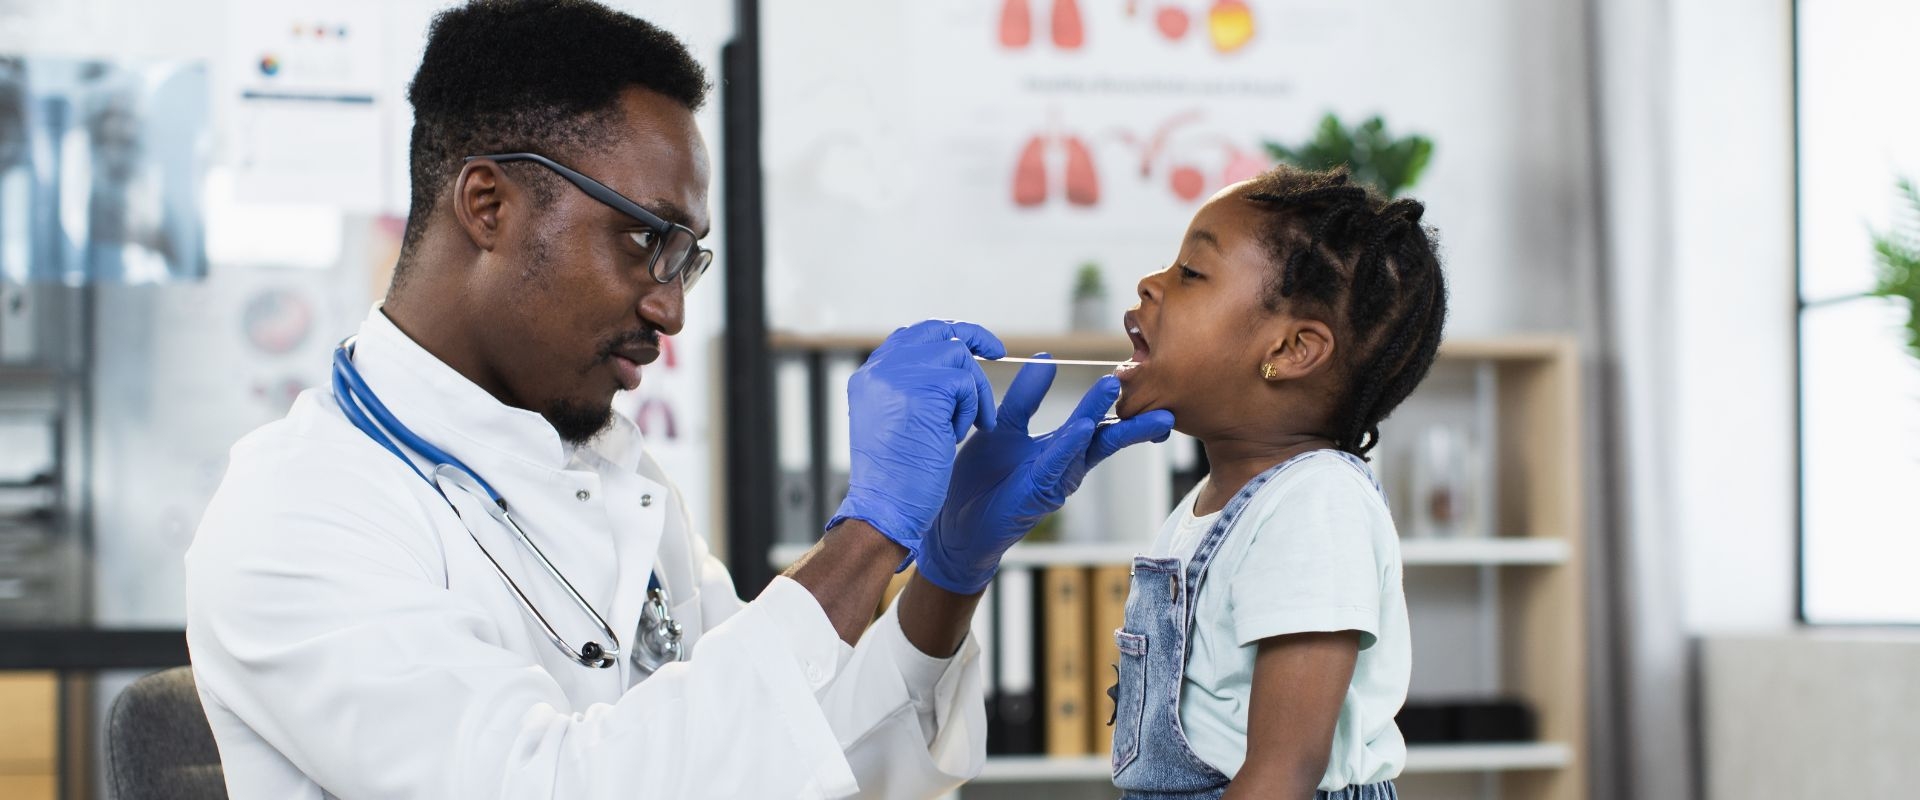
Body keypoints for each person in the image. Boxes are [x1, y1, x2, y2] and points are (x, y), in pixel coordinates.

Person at [182, 2, 1173, 797]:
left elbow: (806, 762)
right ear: (487, 205)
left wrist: (947, 567)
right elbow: (552, 783)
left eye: (686, 258)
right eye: (644, 240)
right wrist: (865, 537)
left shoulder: (608, 471)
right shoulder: (302, 511)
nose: (669, 307)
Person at [1106, 165, 1448, 800]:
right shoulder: (1209, 504)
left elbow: (1281, 775)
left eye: (1190, 273)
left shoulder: (1316, 505)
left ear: (1292, 349)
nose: (1150, 285)